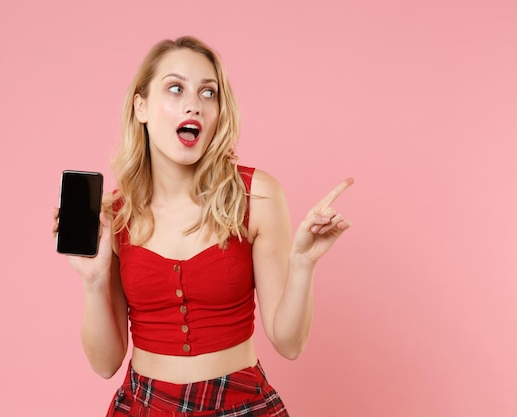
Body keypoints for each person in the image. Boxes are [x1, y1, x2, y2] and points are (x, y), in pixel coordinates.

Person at [52, 36, 353, 416]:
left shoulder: (256, 195)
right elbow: (104, 363)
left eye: (208, 93)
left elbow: (289, 343)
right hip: (144, 406)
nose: (194, 104)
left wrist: (304, 263)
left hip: (240, 404)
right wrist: (94, 281)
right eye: (175, 89)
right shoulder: (115, 215)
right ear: (140, 106)